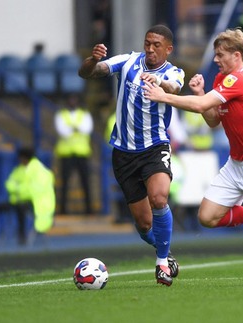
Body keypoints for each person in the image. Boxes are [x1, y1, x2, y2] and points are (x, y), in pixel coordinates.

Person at [143, 28, 243, 286]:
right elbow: (213, 119)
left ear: (236, 55)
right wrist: (201, 94)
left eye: (220, 54)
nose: (216, 59)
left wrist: (164, 96)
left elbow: (203, 108)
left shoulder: (241, 80)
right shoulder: (223, 79)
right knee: (207, 217)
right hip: (236, 165)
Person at [78, 24, 184, 286]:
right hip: (124, 153)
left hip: (154, 147)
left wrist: (158, 81)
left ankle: (161, 265)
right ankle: (165, 253)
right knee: (144, 224)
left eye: (156, 45)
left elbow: (174, 89)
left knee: (159, 198)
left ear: (168, 49)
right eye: (148, 42)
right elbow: (88, 74)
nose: (150, 48)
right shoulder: (128, 61)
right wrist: (93, 60)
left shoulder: (173, 72)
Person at [0, 148, 56, 246]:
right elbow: (9, 184)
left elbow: (34, 190)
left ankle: (22, 236)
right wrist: (21, 189)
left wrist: (17, 189)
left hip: (35, 203)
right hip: (16, 200)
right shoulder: (19, 169)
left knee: (21, 207)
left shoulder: (40, 170)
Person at [54, 93, 93, 215]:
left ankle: (88, 209)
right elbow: (62, 131)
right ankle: (63, 209)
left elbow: (87, 129)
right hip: (66, 154)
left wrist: (72, 128)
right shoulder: (61, 115)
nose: (72, 102)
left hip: (82, 153)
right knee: (64, 183)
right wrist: (77, 129)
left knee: (85, 182)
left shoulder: (85, 114)